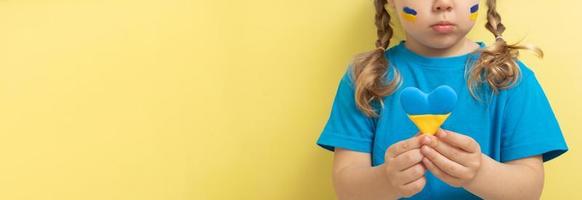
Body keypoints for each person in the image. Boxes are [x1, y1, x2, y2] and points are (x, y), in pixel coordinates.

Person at [315, 0, 569, 199]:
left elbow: (529, 191)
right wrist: (387, 180)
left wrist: (478, 172)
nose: (443, 3)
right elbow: (347, 189)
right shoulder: (366, 79)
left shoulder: (511, 78)